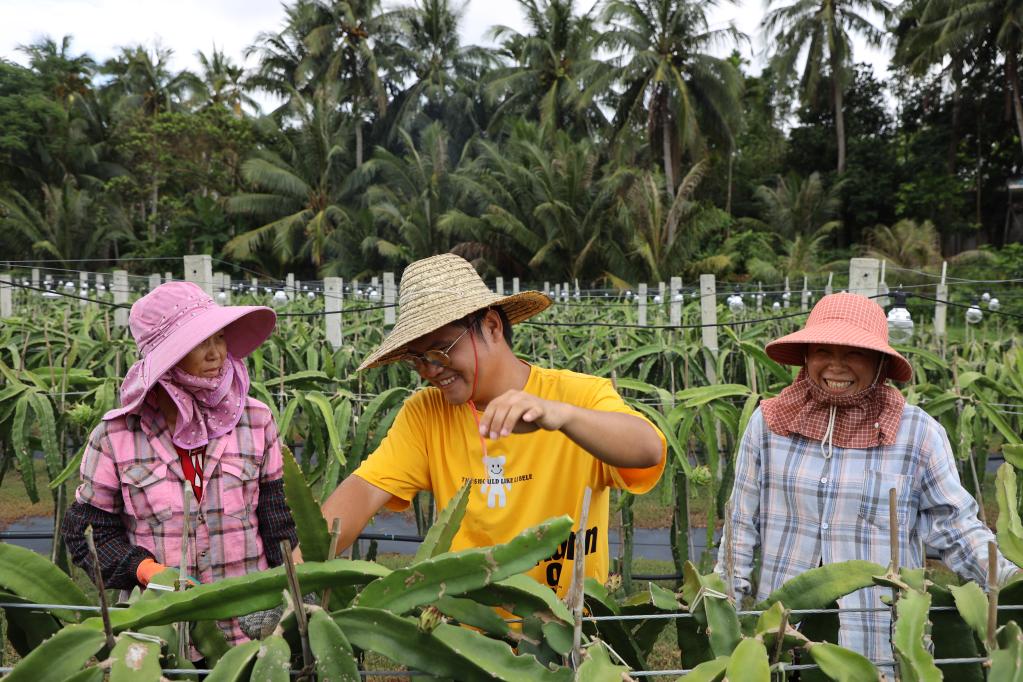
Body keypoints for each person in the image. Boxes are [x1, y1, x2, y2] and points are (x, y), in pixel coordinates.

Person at [318, 253, 666, 596]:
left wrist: (562, 416)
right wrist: (291, 580)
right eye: (417, 359)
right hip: (465, 638)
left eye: (439, 351)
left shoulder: (579, 396)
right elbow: (363, 493)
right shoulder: (426, 414)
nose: (429, 371)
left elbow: (647, 448)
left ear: (492, 327)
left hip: (569, 633)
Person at [717, 292, 1017, 663]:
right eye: (823, 351)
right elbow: (741, 525)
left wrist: (1009, 581)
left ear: (880, 363)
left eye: (854, 353)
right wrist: (724, 609)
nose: (836, 366)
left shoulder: (916, 433)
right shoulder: (770, 425)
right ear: (807, 355)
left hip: (881, 641)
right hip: (784, 638)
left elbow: (955, 528)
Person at [62, 281, 298, 646]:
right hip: (160, 630)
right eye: (199, 342)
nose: (216, 354)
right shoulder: (116, 435)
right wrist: (148, 571)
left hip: (252, 628)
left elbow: (275, 519)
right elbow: (87, 533)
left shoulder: (256, 420)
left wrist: (299, 594)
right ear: (167, 357)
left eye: (219, 338)